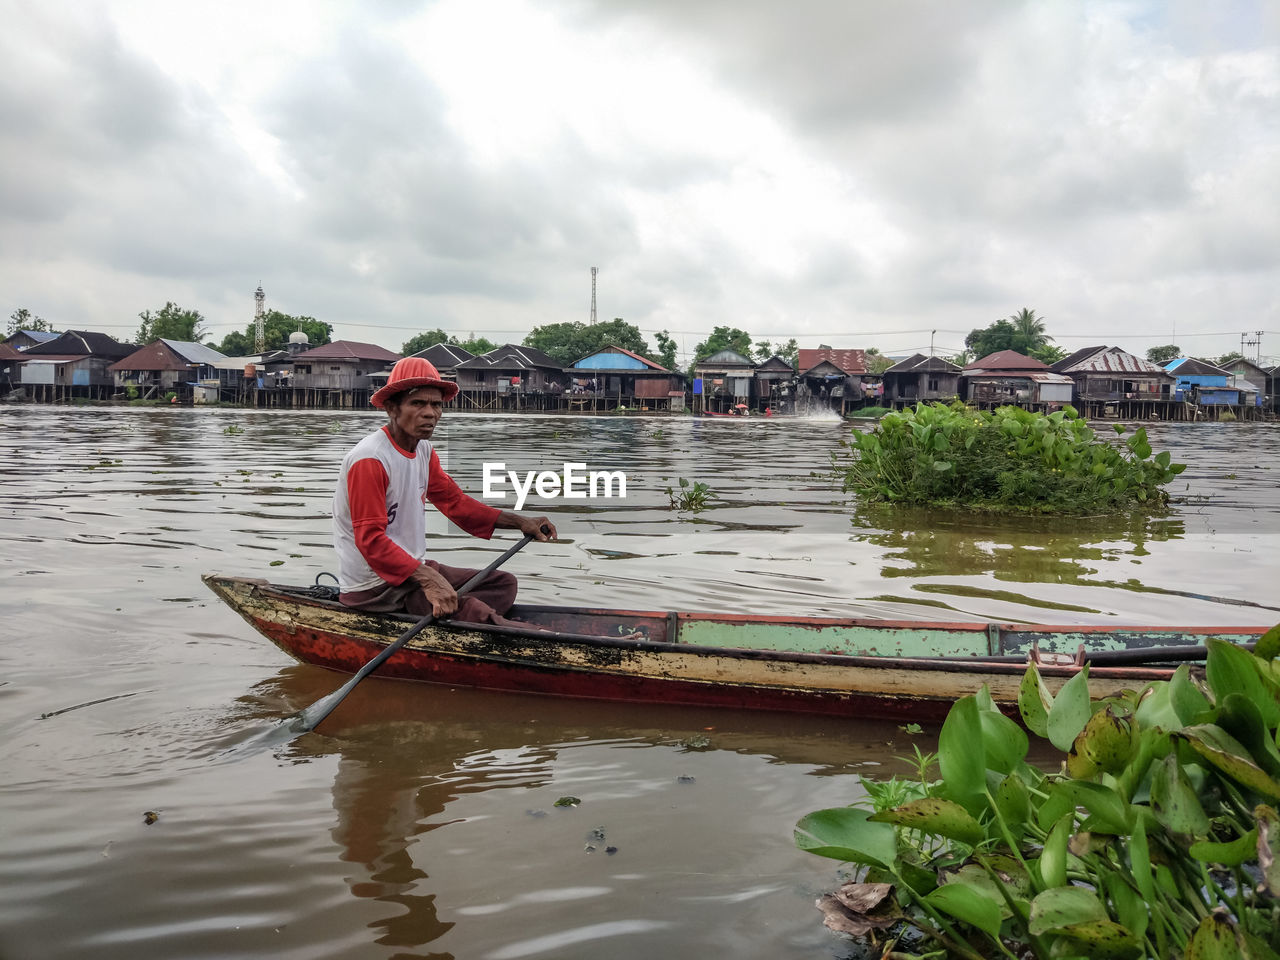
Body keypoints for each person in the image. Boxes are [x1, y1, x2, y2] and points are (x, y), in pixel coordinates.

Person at [332, 356, 556, 626]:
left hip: (412, 571)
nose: (430, 413)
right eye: (418, 403)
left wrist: (521, 522)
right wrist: (430, 579)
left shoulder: (424, 451)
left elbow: (456, 504)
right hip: (377, 587)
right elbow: (370, 542)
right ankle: (497, 625)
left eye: (436, 405)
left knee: (501, 584)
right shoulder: (370, 459)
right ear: (392, 408)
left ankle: (468, 622)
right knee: (471, 609)